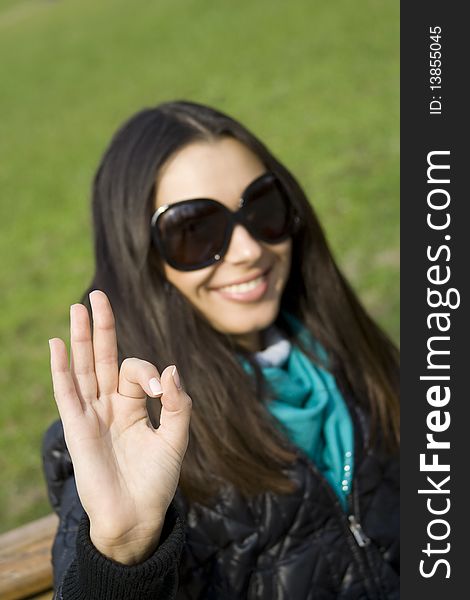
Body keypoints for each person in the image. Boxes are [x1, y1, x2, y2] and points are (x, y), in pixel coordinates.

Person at [43, 100, 400, 599]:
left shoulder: (359, 360)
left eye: (263, 208)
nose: (250, 250)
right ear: (141, 258)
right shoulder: (121, 441)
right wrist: (123, 554)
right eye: (195, 230)